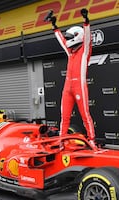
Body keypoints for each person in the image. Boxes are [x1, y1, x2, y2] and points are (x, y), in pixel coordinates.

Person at [48, 8, 95, 142]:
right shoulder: (70, 52)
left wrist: (86, 22)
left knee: (85, 114)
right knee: (64, 117)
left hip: (79, 86)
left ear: (77, 36)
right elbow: (62, 41)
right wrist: (54, 27)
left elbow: (87, 38)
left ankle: (92, 139)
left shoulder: (85, 51)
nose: (68, 40)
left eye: (71, 37)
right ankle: (61, 141)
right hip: (67, 88)